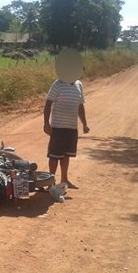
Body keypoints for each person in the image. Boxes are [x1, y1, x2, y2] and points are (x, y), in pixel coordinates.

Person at [43, 49, 90, 189]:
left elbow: (80, 106)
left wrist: (84, 124)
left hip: (71, 127)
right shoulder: (57, 84)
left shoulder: (79, 85)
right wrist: (46, 123)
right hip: (57, 127)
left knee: (66, 155)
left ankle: (64, 180)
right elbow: (48, 104)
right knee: (54, 155)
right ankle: (50, 182)